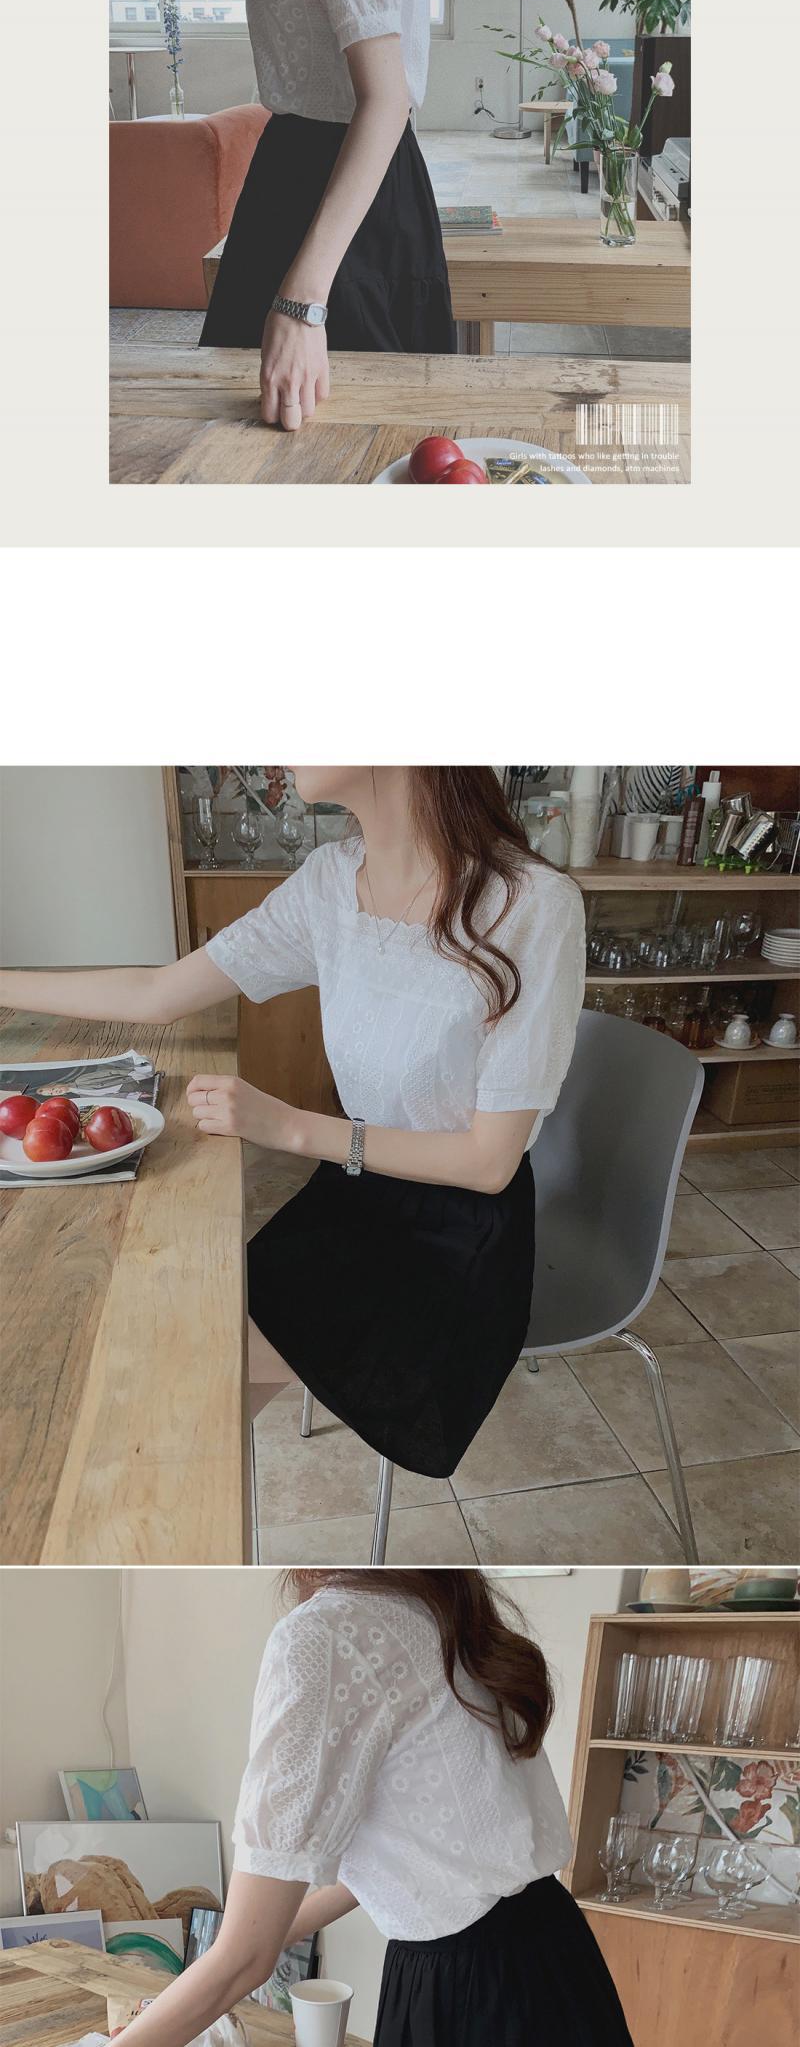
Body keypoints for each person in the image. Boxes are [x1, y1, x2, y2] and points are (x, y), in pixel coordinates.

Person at [5, 766, 585, 1479]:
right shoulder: (330, 882)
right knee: (183, 1366)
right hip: (355, 1194)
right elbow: (158, 992)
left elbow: (489, 1163)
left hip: (460, 1239)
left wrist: (290, 1127)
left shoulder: (533, 905)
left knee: (190, 1390)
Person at [74, 1571, 634, 2047]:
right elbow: (421, 1862)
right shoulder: (437, 1604)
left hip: (470, 1990)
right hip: (551, 1954)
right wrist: (240, 1950)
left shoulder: (329, 1633)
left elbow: (245, 1957)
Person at [201, 0, 455, 430]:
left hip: (326, 188)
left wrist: (302, 304)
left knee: (306, 446)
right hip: (341, 181)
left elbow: (386, 95)